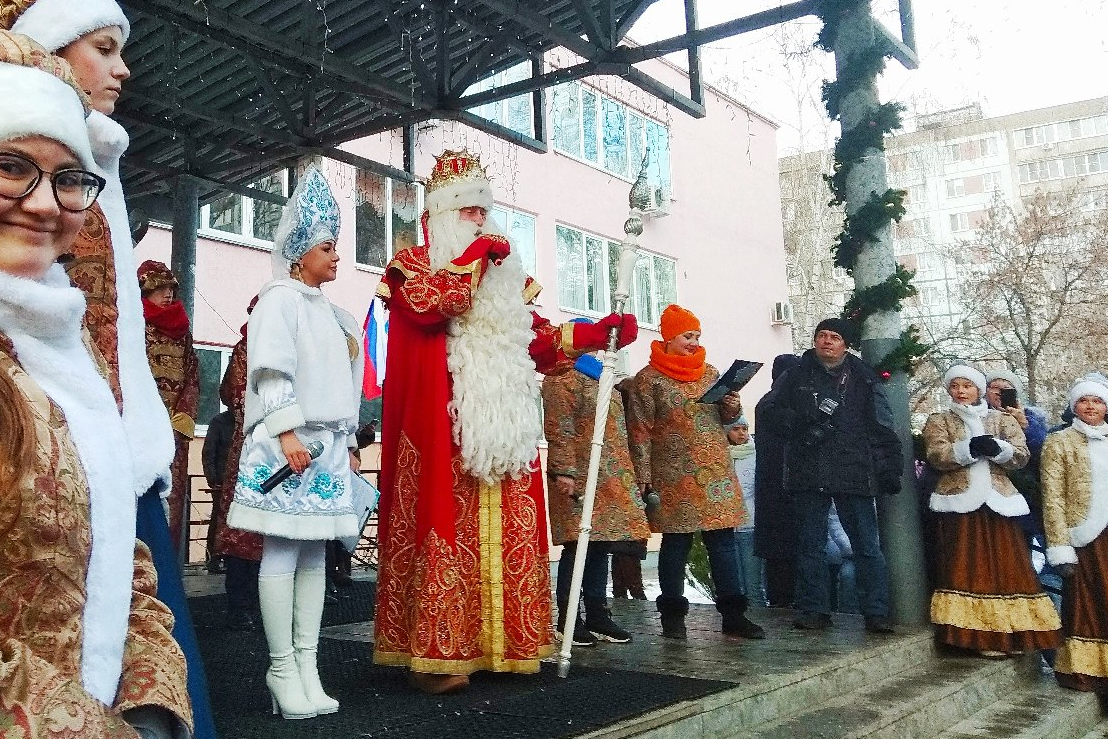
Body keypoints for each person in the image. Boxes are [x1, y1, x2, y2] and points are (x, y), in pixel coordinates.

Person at [5, 4, 218, 733]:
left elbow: (118, 566)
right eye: (11, 169)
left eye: (70, 179)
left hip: (118, 467)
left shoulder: (66, 342)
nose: (43, 202)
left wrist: (151, 706)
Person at [372, 149, 637, 694]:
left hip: (508, 426)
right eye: (466, 210)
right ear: (441, 214)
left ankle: (504, 646)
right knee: (449, 531)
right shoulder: (412, 266)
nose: (478, 219)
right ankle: (440, 656)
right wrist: (473, 258)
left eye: (482, 210)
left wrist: (594, 333)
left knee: (507, 533)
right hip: (443, 427)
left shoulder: (506, 277)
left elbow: (536, 340)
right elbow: (431, 306)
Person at [227, 164, 363, 719]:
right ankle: (281, 665)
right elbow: (271, 371)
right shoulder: (279, 299)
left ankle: (307, 664)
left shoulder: (331, 312)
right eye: (328, 246)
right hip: (291, 446)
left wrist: (345, 441)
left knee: (314, 556)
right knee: (282, 551)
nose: (336, 257)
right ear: (300, 249)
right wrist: (284, 432)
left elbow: (343, 384)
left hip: (323, 448)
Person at [626, 304, 765, 640]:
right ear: (669, 337)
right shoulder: (649, 379)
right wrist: (642, 476)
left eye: (697, 336)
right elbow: (639, 430)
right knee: (676, 544)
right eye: (687, 335)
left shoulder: (710, 372)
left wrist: (732, 407)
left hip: (715, 472)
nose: (693, 342)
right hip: (674, 476)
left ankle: (734, 615)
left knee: (723, 544)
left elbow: (730, 422)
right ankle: (673, 616)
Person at [758, 319, 901, 633]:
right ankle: (813, 609)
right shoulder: (794, 375)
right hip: (808, 470)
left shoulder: (864, 378)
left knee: (866, 546)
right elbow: (768, 411)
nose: (826, 342)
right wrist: (797, 420)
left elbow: (882, 426)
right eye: (821, 336)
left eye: (834, 337)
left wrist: (889, 468)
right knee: (810, 545)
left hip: (855, 471)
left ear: (845, 344)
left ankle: (876, 612)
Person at [922, 364, 1060, 656]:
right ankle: (977, 636)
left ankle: (1011, 634)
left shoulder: (1001, 419)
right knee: (967, 568)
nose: (961, 391)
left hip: (999, 502)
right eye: (955, 386)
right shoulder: (939, 419)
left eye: (967, 386)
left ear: (978, 390)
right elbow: (936, 454)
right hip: (959, 502)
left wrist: (1000, 449)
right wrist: (968, 448)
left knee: (1008, 569)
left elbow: (1021, 454)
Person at [542, 330, 651, 645]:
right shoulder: (561, 378)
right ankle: (568, 618)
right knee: (578, 547)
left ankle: (599, 614)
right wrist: (564, 470)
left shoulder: (602, 377)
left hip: (608, 476)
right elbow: (558, 426)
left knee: (600, 545)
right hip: (578, 474)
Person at [1040, 376, 1108, 692]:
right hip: (1084, 537)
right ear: (1074, 407)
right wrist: (1059, 546)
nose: (1091, 406)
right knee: (1089, 603)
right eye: (1084, 401)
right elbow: (1052, 497)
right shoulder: (1059, 442)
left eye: (1097, 401)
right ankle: (1090, 671)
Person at [211, 295, 264, 632]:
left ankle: (254, 607)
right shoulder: (246, 350)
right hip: (252, 451)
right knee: (245, 532)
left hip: (267, 447)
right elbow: (235, 395)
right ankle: (241, 606)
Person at [138, 260, 200, 553]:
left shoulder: (183, 331)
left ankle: (165, 566)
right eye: (159, 289)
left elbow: (193, 375)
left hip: (174, 427)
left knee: (172, 499)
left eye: (171, 289)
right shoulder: (132, 323)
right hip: (141, 423)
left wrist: (184, 416)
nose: (168, 295)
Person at [753, 353, 800, 608]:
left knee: (777, 556)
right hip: (787, 487)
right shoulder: (780, 405)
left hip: (769, 489)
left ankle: (779, 600)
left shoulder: (765, 404)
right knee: (788, 552)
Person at [727, 417, 763, 606]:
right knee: (734, 585)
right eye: (736, 429)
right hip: (726, 527)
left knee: (753, 584)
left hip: (750, 525)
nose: (741, 433)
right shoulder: (720, 454)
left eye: (745, 429)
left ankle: (761, 620)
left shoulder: (755, 454)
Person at [202, 408, 233, 573]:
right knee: (217, 520)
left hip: (239, 482)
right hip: (221, 482)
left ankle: (232, 561)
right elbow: (209, 452)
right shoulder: (219, 421)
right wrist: (213, 479)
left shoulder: (246, 421)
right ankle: (213, 559)